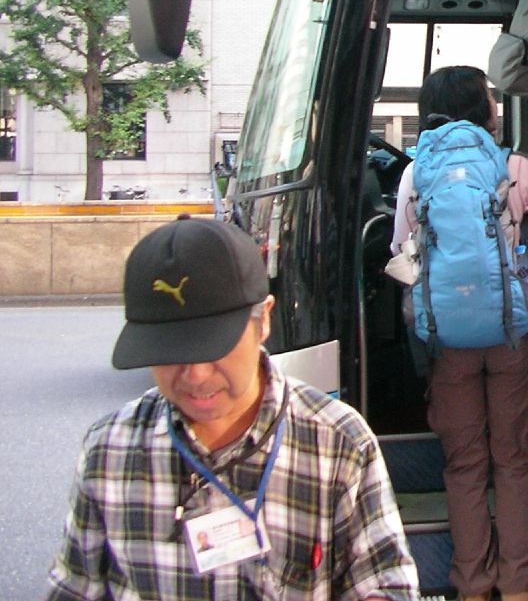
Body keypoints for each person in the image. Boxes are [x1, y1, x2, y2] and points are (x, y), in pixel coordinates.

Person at [45, 215, 419, 600]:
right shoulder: (110, 450)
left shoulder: (337, 442)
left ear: (264, 320)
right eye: (170, 350)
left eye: (214, 346)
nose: (195, 375)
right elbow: (74, 587)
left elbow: (384, 580)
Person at [390, 65, 528, 601]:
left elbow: (402, 255)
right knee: (514, 460)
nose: (497, 107)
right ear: (481, 109)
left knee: (463, 466)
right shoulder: (512, 166)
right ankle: (519, 587)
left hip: (448, 345)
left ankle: (473, 586)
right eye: (491, 98)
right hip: (512, 339)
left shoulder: (416, 175)